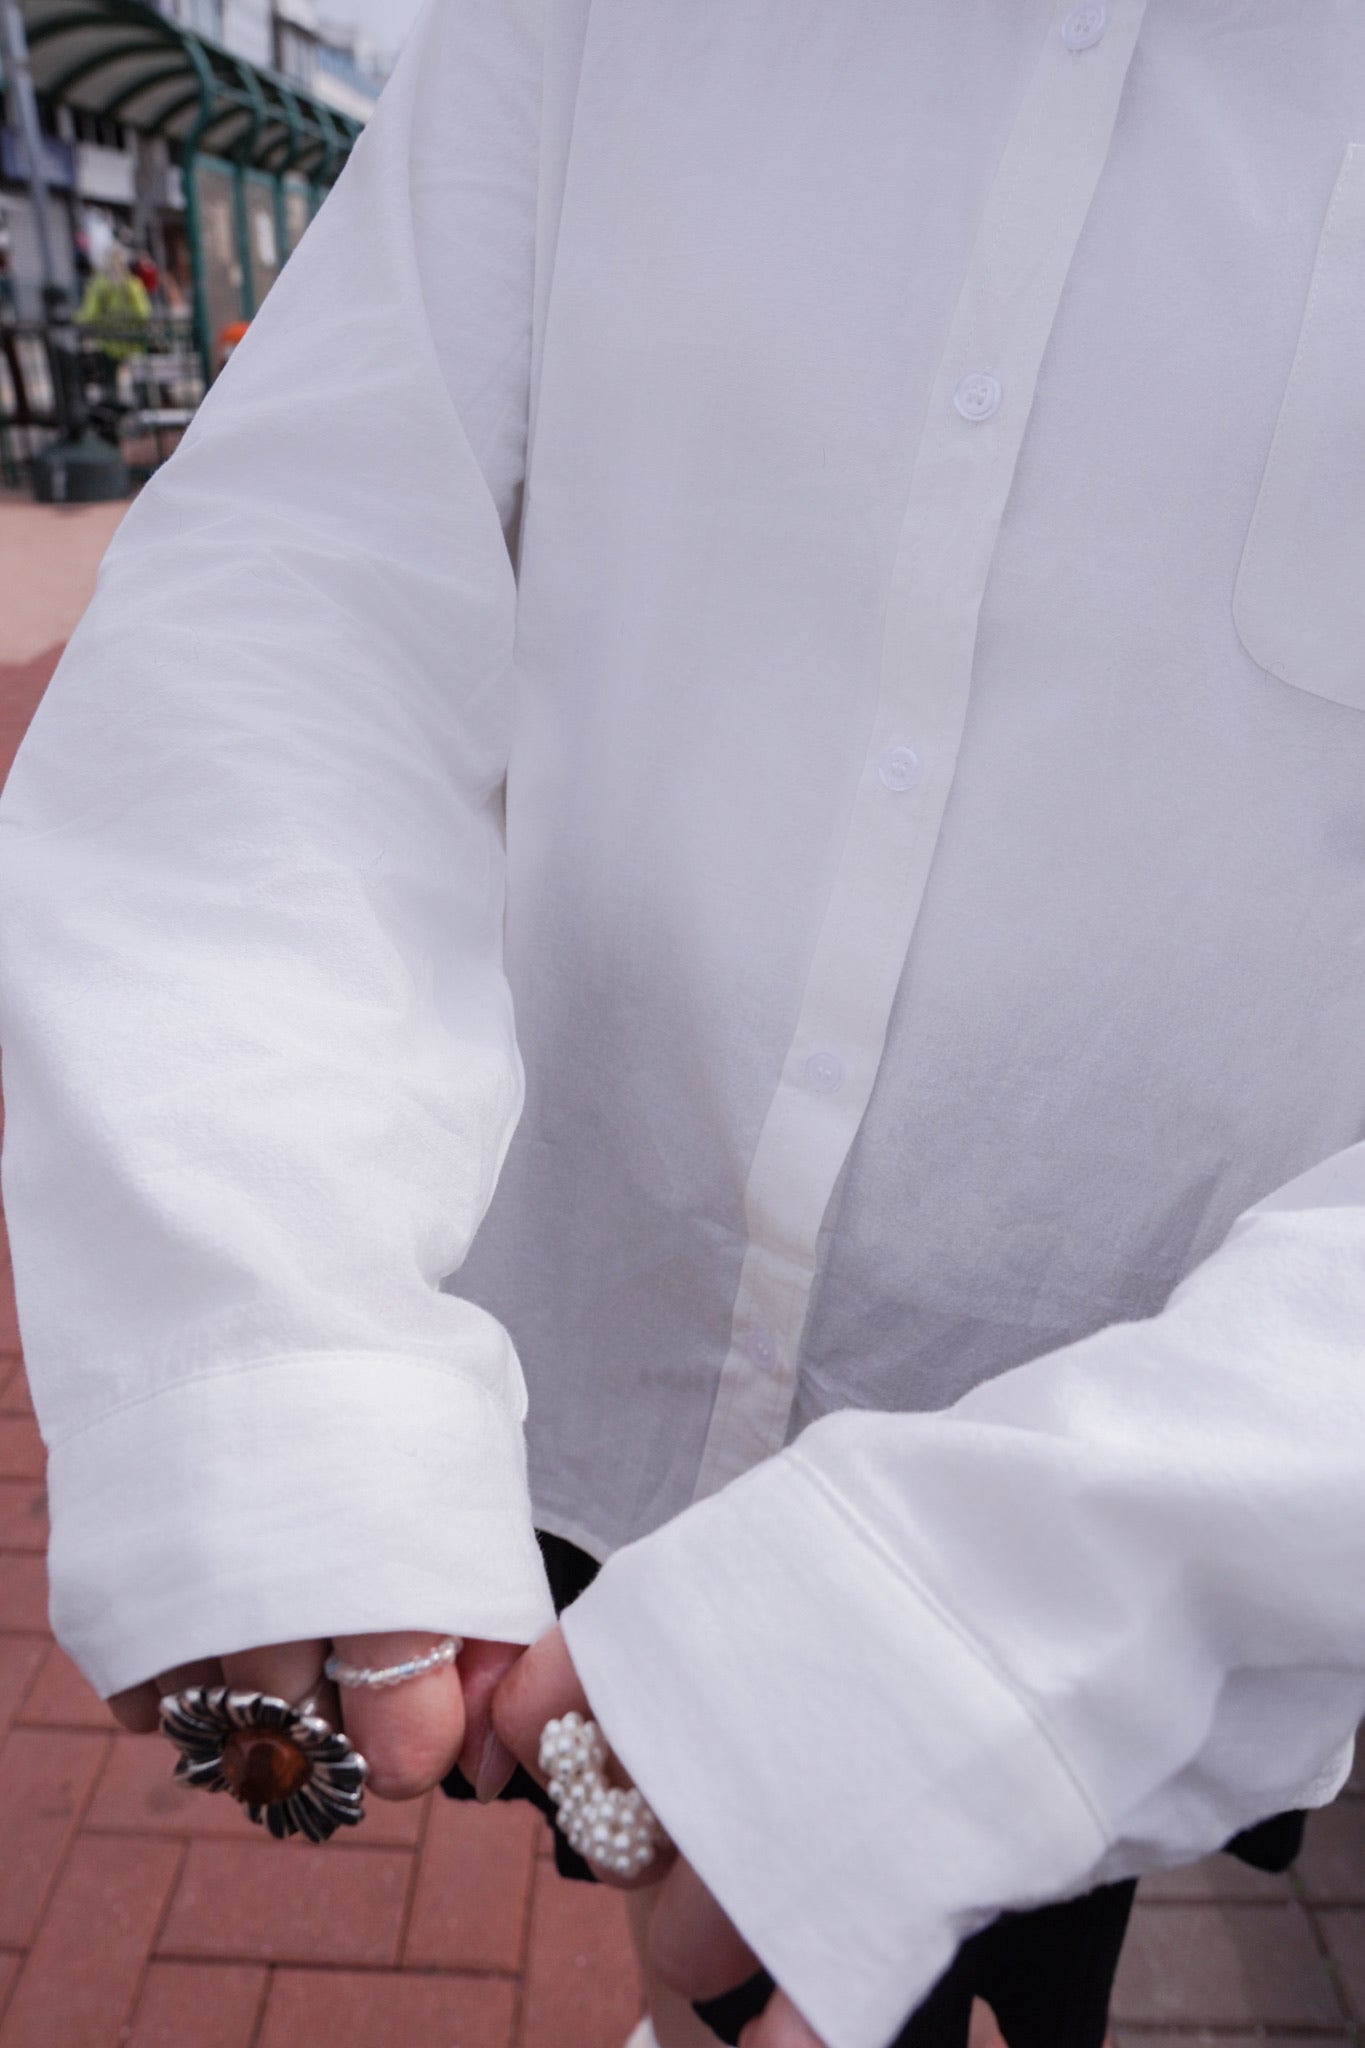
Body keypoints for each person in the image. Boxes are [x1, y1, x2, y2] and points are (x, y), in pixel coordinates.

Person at [1, 4, 1364, 2046]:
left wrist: (1087, 1598)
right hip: (593, 1350)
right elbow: (308, 569)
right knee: (680, 1898)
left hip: (1124, 1426)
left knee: (1002, 1944)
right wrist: (250, 1315)